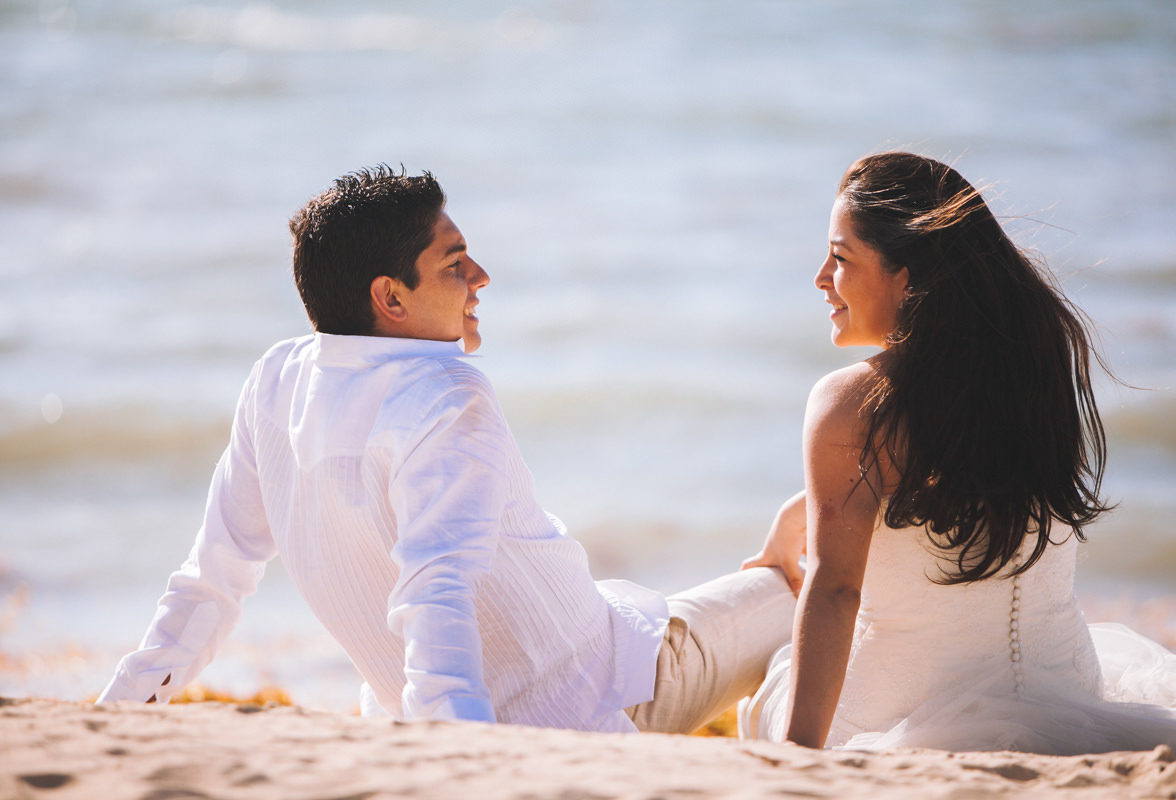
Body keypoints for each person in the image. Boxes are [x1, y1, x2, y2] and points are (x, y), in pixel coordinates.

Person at [97, 165, 795, 734]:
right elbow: (436, 592)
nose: (481, 277)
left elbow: (213, 576)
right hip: (610, 699)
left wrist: (121, 713)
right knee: (796, 593)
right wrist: (467, 751)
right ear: (391, 298)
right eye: (456, 263)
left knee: (673, 598)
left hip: (592, 637)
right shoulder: (444, 395)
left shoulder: (278, 378)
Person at [739, 152, 1176, 755]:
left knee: (769, 618)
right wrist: (801, 512)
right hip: (1069, 694)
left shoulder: (849, 402)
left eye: (840, 257)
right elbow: (945, 477)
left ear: (906, 276)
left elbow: (834, 589)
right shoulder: (1031, 368)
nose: (821, 278)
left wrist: (795, 757)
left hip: (895, 717)